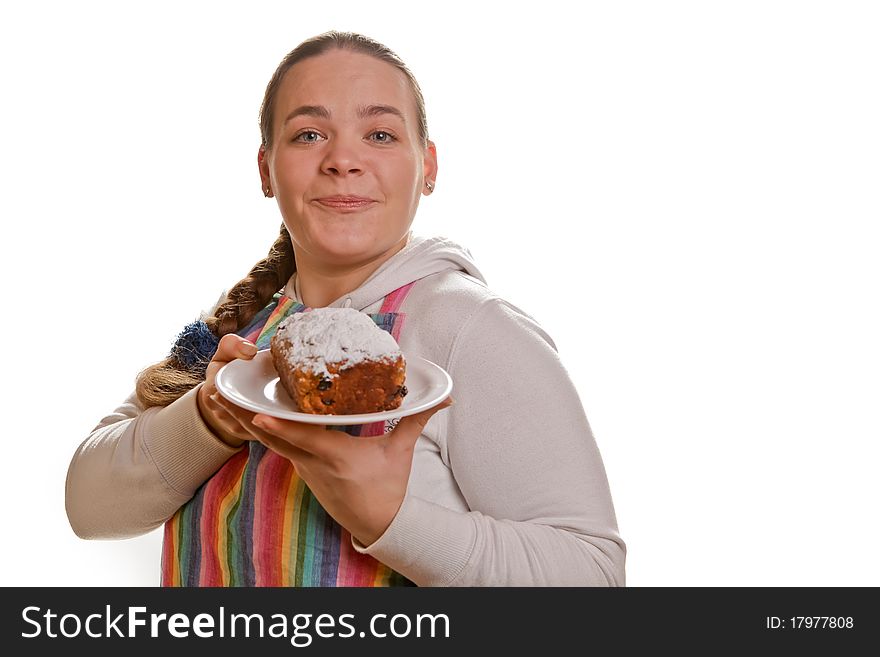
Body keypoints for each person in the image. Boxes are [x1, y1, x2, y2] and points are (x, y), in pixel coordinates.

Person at [65, 31, 626, 587]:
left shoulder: (471, 329)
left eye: (380, 134)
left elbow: (595, 577)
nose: (343, 160)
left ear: (427, 167)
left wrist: (390, 519)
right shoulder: (237, 324)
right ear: (266, 169)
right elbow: (89, 508)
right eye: (309, 134)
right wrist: (212, 417)